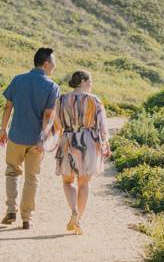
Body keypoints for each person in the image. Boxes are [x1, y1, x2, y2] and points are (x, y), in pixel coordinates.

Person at [0, 47, 60, 229]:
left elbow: (7, 107)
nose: (55, 65)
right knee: (32, 178)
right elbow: (49, 115)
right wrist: (42, 137)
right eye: (53, 61)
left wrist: (3, 130)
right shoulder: (52, 86)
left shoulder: (18, 80)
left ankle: (11, 209)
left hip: (16, 136)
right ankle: (27, 218)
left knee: (12, 172)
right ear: (46, 63)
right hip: (36, 141)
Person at [55, 70, 109, 235]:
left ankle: (73, 211)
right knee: (84, 183)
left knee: (67, 181)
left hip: (68, 139)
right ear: (84, 81)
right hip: (88, 141)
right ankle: (79, 221)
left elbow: (57, 124)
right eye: (90, 81)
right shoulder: (95, 100)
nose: (92, 84)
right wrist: (105, 144)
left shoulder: (62, 99)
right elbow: (102, 126)